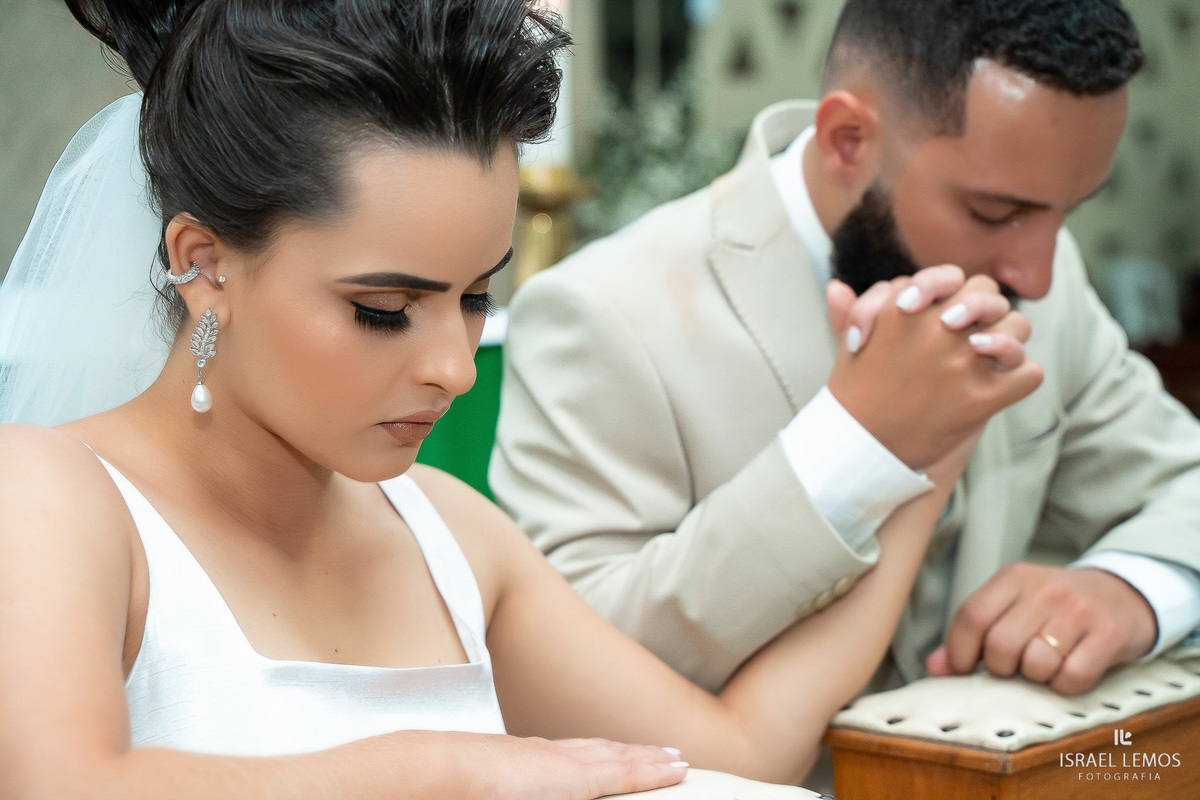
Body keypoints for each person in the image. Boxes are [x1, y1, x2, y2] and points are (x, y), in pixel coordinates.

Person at [0, 0, 1039, 795]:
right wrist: (438, 768)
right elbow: (65, 785)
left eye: (477, 294)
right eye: (384, 307)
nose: (454, 364)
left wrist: (921, 456)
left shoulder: (454, 535)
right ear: (203, 263)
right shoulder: (51, 497)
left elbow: (731, 751)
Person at [491, 0, 1200, 701]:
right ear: (847, 141)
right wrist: (853, 446)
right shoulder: (601, 312)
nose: (1037, 275)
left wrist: (1133, 591)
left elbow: (1184, 482)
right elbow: (562, 673)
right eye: (994, 212)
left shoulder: (1045, 277)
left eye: (1065, 212)